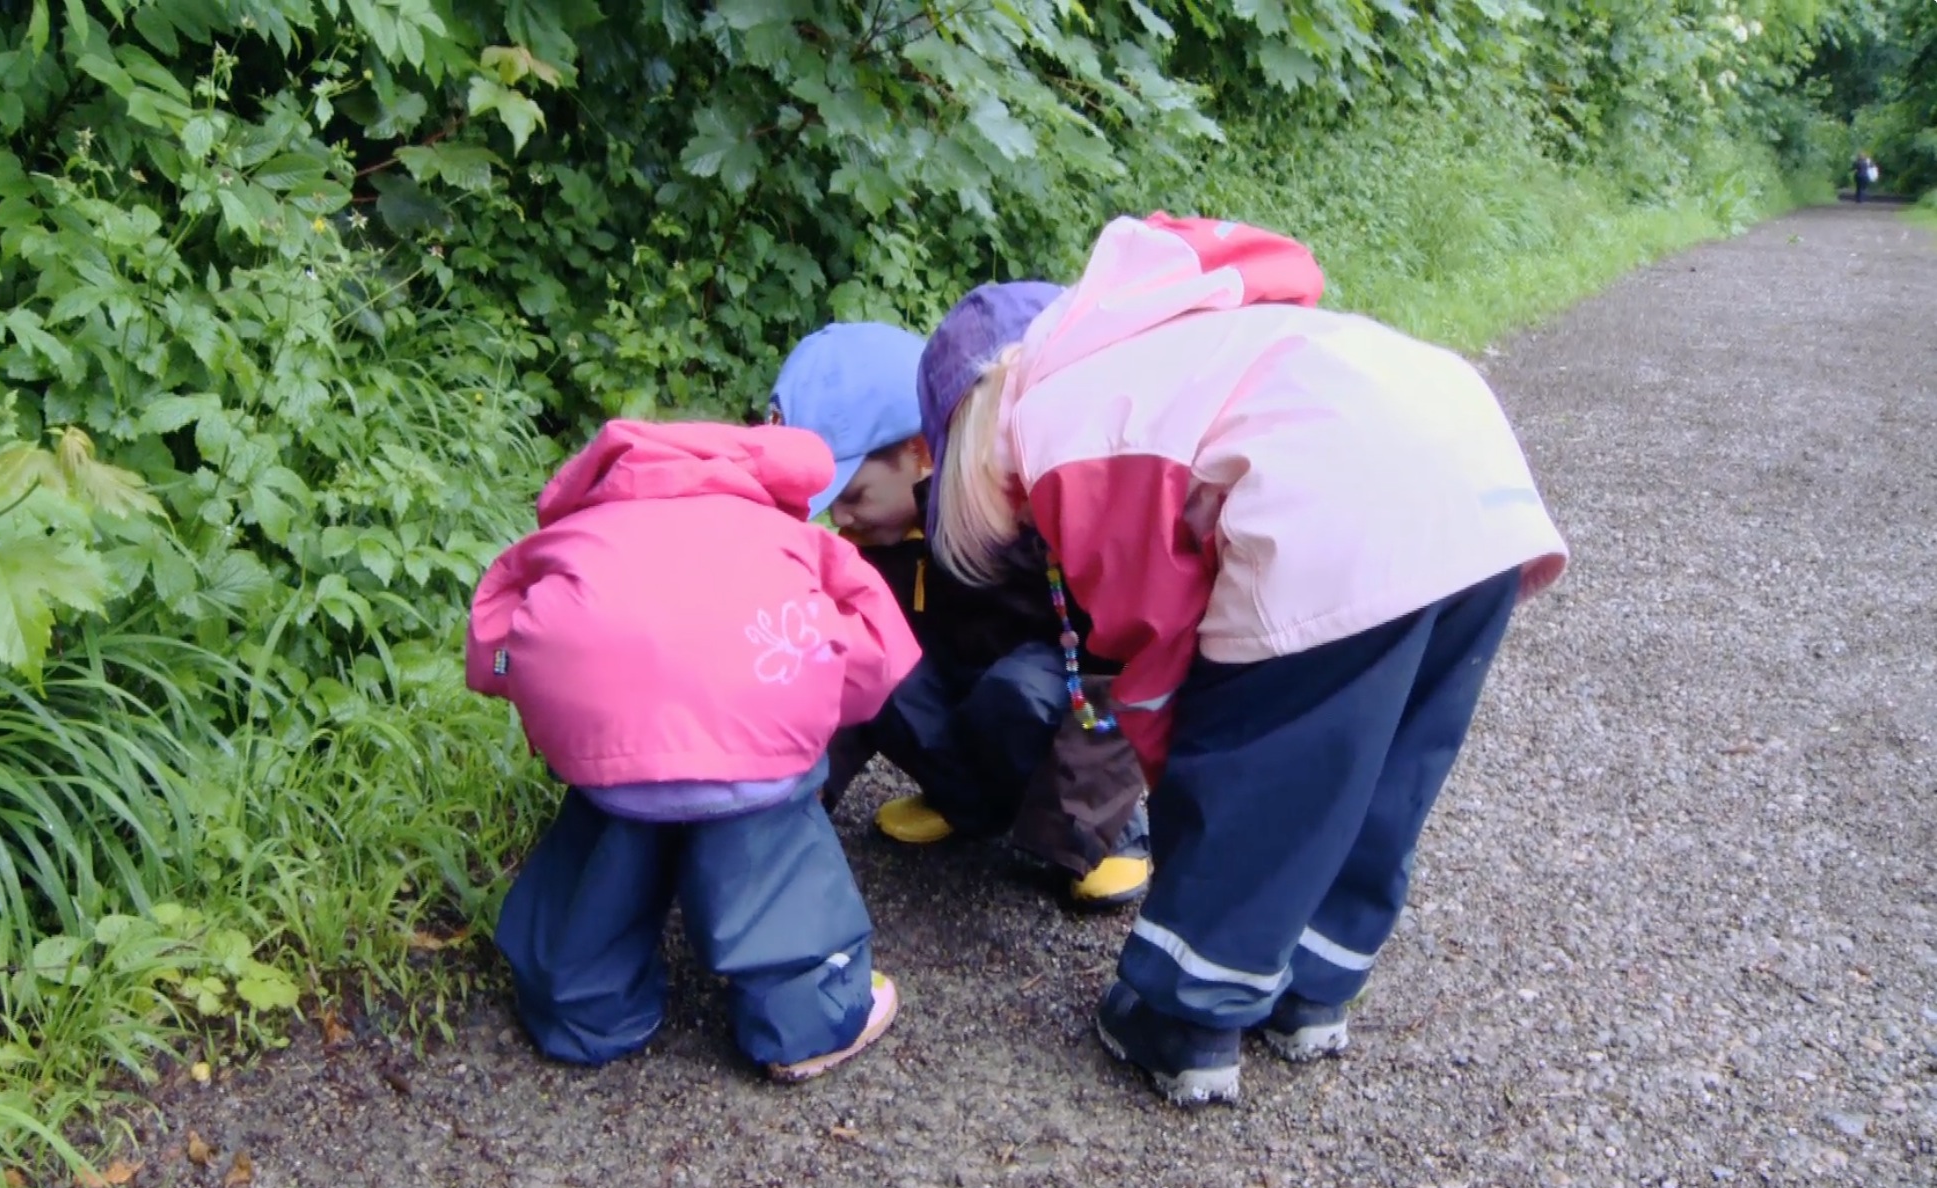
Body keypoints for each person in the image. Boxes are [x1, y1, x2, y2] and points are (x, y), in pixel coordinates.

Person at [920, 213, 1569, 1105]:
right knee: (1380, 765)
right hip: (1475, 477)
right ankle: (1311, 990)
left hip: (1342, 494)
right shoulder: (1168, 351)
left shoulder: (1065, 431)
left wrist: (1170, 761)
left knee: (1251, 764)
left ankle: (1182, 1014)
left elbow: (1153, 655)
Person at [466, 418, 919, 1081]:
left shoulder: (570, 537)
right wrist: (816, 726)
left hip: (607, 755)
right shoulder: (794, 539)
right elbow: (877, 650)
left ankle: (581, 1008)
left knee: (609, 828)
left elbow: (490, 640)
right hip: (760, 734)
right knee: (771, 836)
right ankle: (804, 1019)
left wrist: (540, 701)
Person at [767, 320, 1153, 907]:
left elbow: (1110, 671)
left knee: (1020, 688)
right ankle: (965, 802)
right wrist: (807, 786)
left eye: (855, 496)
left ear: (920, 455)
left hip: (1047, 697)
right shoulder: (879, 549)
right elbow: (843, 680)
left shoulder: (1008, 520)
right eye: (829, 505)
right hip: (973, 710)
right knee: (872, 661)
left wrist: (1079, 823)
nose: (841, 520)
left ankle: (1114, 834)